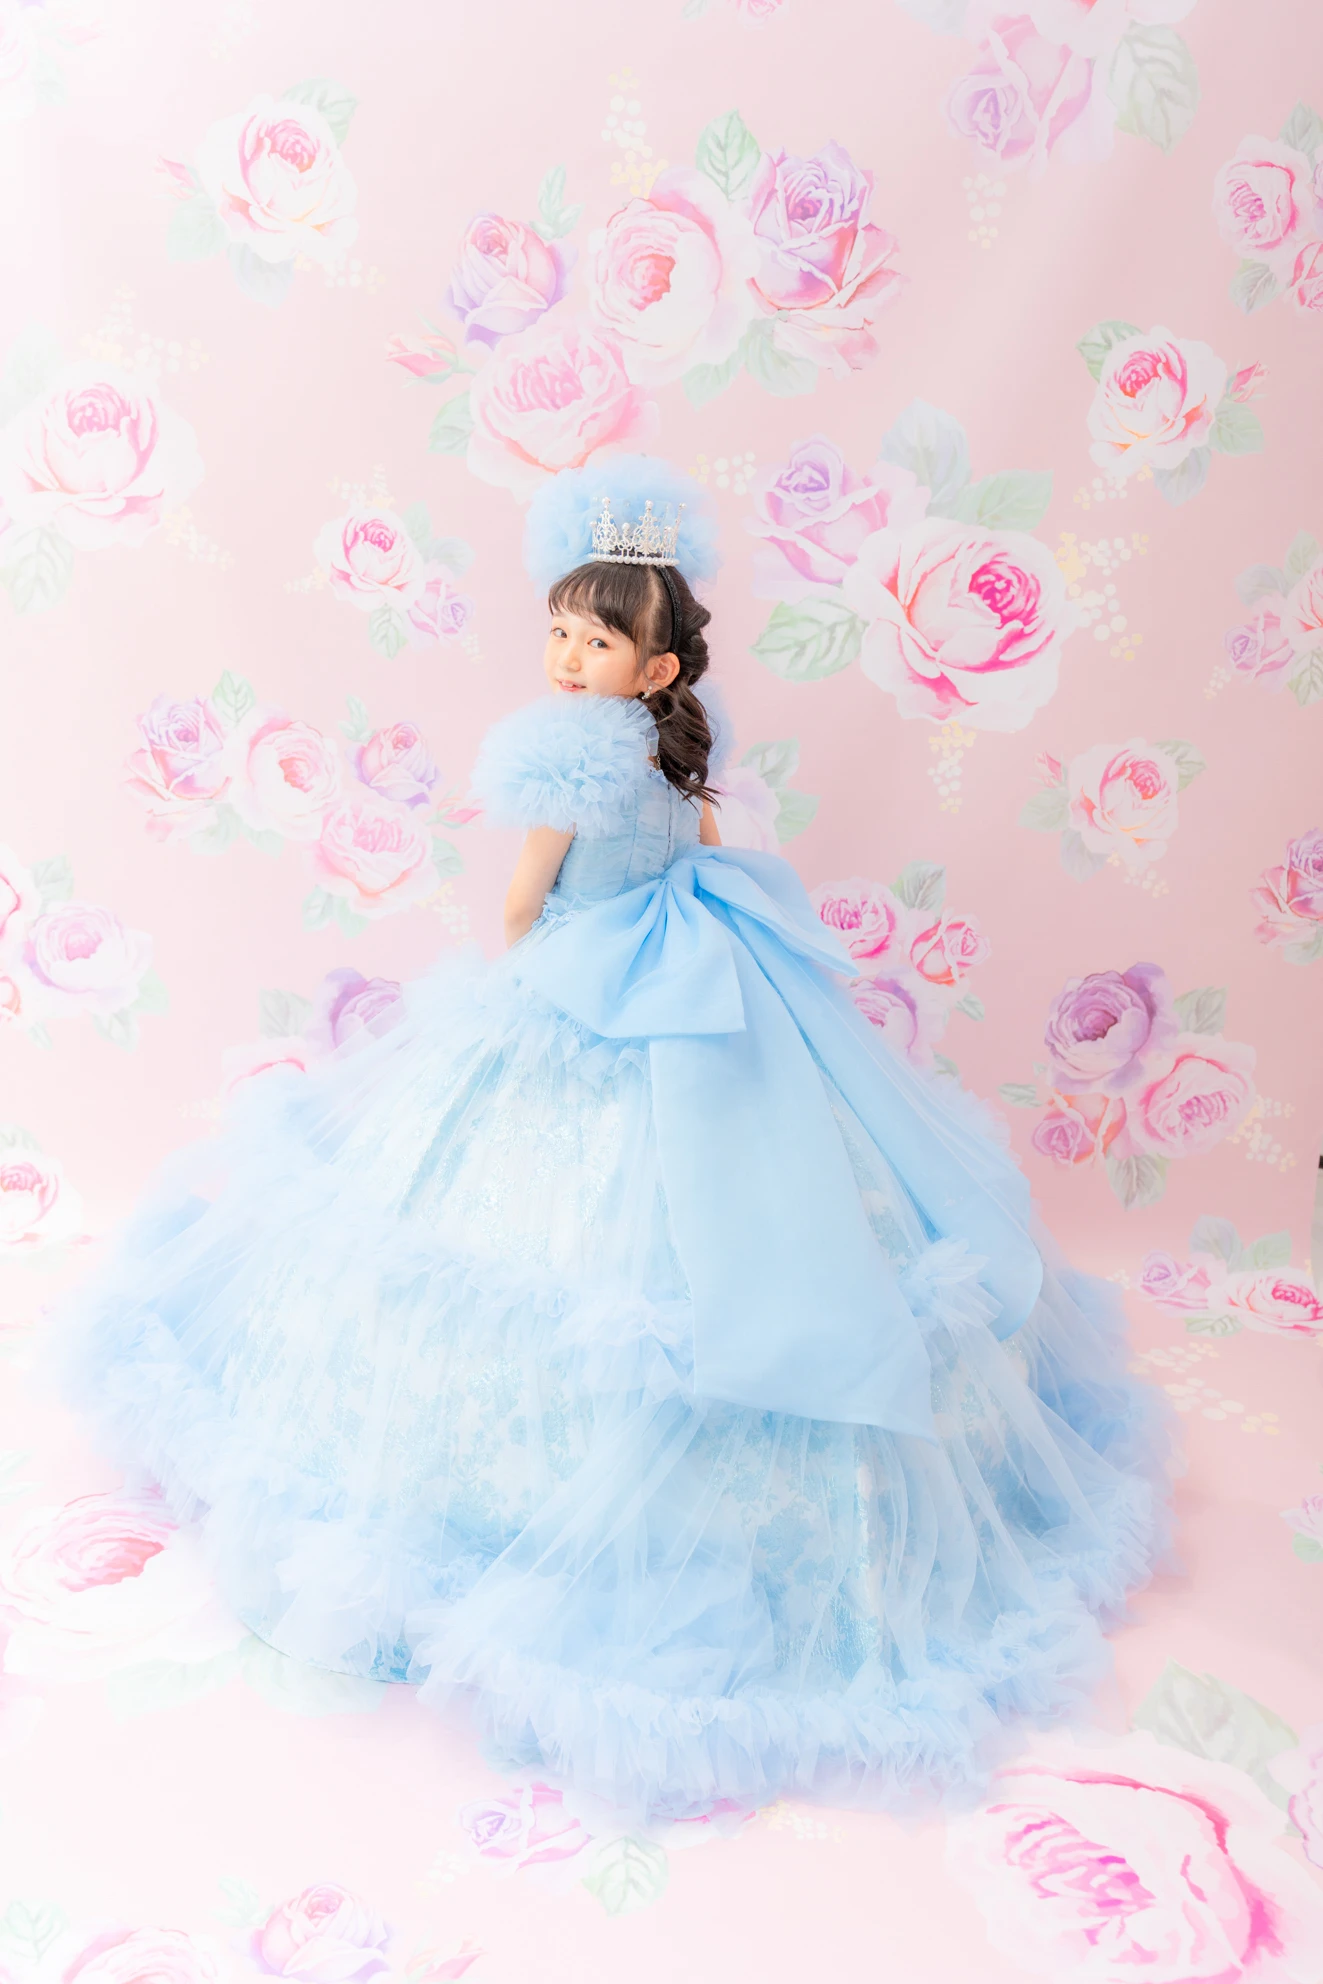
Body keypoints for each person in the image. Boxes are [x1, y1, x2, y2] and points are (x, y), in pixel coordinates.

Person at [55, 454, 1171, 1825]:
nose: (567, 657)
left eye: (594, 641)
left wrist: (532, 977)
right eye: (560, 633)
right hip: (691, 959)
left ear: (656, 667)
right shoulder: (673, 748)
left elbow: (525, 903)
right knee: (748, 1164)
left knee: (576, 1214)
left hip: (588, 973)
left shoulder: (568, 755)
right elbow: (692, 851)